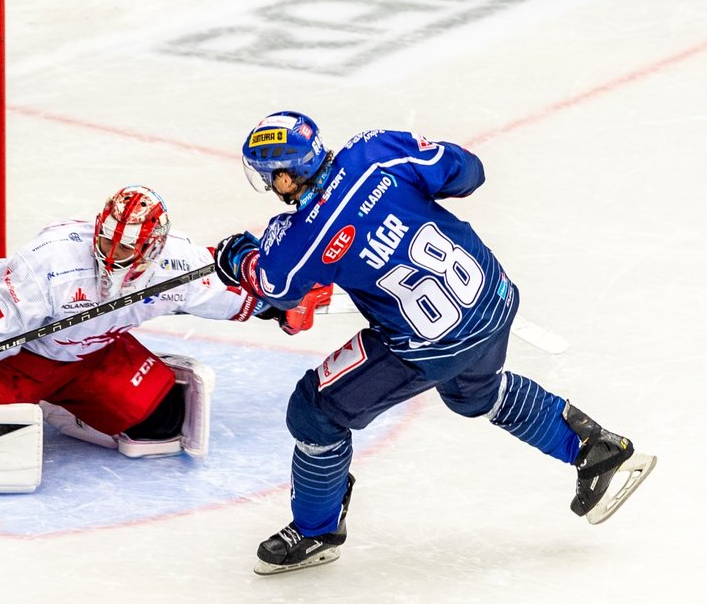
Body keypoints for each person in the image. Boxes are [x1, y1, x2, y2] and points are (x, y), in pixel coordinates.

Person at [213, 111, 657, 575]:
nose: (269, 185)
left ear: (285, 176)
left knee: (314, 412)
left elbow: (275, 287)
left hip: (428, 344)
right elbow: (468, 171)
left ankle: (314, 530)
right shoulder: (376, 150)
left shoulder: (301, 234)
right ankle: (595, 447)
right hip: (492, 295)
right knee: (474, 395)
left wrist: (240, 254)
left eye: (269, 177)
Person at [0, 184, 313, 463]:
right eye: (104, 249)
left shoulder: (179, 264)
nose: (112, 263)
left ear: (155, 248)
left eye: (127, 255)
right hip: (20, 358)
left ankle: (64, 405)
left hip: (96, 355)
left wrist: (280, 304)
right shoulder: (51, 260)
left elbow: (232, 292)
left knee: (163, 422)